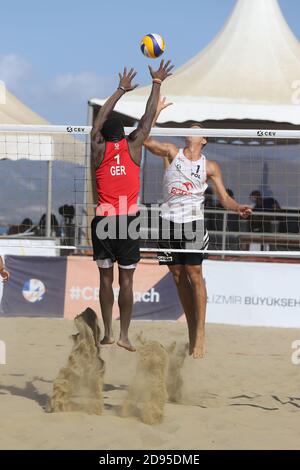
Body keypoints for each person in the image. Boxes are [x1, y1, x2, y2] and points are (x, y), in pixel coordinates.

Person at [144, 97, 252, 359]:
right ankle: (192, 329)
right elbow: (144, 139)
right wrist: (155, 111)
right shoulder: (172, 152)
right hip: (168, 222)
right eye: (191, 127)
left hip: (193, 222)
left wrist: (237, 207)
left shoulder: (210, 166)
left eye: (198, 128)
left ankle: (200, 334)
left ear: (204, 140)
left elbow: (224, 198)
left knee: (194, 273)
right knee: (178, 276)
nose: (193, 129)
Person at [91, 61, 174, 352]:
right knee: (126, 281)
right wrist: (156, 83)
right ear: (124, 133)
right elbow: (148, 119)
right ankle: (124, 334)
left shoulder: (98, 148)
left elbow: (97, 122)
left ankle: (107, 332)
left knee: (105, 279)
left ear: (103, 134)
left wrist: (120, 90)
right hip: (127, 220)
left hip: (103, 220)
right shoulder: (134, 146)